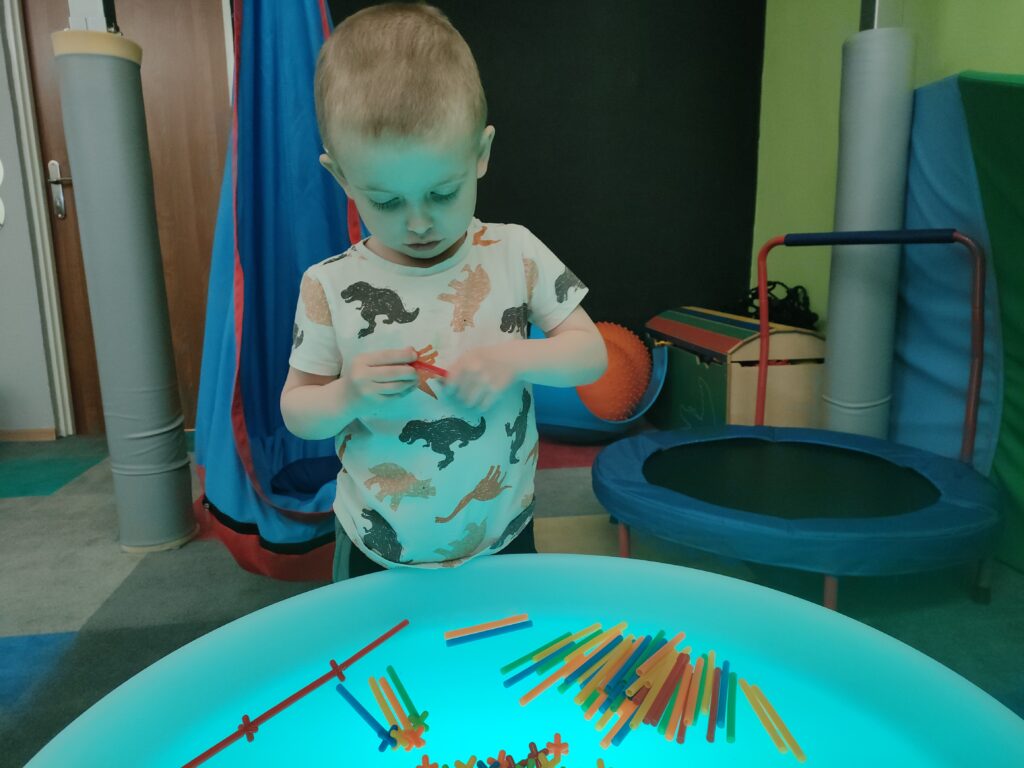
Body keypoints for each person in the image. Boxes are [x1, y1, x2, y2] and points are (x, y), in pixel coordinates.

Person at [280, 2, 607, 580]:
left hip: (503, 529)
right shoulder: (328, 284)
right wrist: (347, 395)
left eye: (442, 192)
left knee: (502, 637)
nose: (418, 222)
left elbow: (592, 355)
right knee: (381, 641)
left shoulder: (516, 251)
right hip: (379, 544)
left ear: (480, 155)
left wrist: (515, 358)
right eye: (386, 201)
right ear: (342, 178)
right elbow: (298, 411)